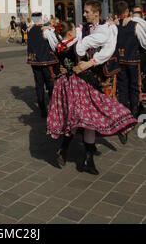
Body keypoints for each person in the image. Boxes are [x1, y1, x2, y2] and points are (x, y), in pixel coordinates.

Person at [46, 20, 136, 175]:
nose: (77, 29)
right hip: (80, 85)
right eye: (74, 28)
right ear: (70, 32)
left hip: (66, 86)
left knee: (77, 120)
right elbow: (99, 39)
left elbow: (52, 35)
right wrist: (111, 28)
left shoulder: (58, 46)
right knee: (89, 119)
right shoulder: (79, 45)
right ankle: (86, 160)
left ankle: (65, 150)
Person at [115, 1, 146, 122]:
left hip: (120, 60)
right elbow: (144, 42)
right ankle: (134, 111)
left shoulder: (114, 25)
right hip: (133, 59)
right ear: (127, 11)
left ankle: (124, 111)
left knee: (122, 86)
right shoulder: (135, 25)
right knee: (134, 86)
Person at [27, 12, 59, 117]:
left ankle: (42, 109)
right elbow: (55, 43)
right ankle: (52, 107)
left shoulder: (30, 31)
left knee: (39, 85)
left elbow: (29, 47)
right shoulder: (45, 30)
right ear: (40, 19)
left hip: (34, 61)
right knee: (50, 84)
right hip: (46, 61)